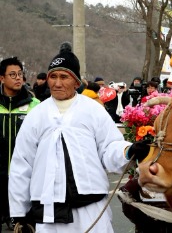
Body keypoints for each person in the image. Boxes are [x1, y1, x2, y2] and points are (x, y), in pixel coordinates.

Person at [7, 43, 137, 232]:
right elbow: (22, 164)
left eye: (64, 77)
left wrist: (128, 151)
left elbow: (110, 147)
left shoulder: (93, 111)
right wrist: (20, 211)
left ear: (77, 82)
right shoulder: (36, 115)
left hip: (91, 211)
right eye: (53, 76)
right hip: (48, 214)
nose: (57, 83)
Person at [0, 57, 40, 232]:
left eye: (20, 74)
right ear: (2, 78)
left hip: (25, 178)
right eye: (12, 74)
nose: (18, 78)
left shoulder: (35, 106)